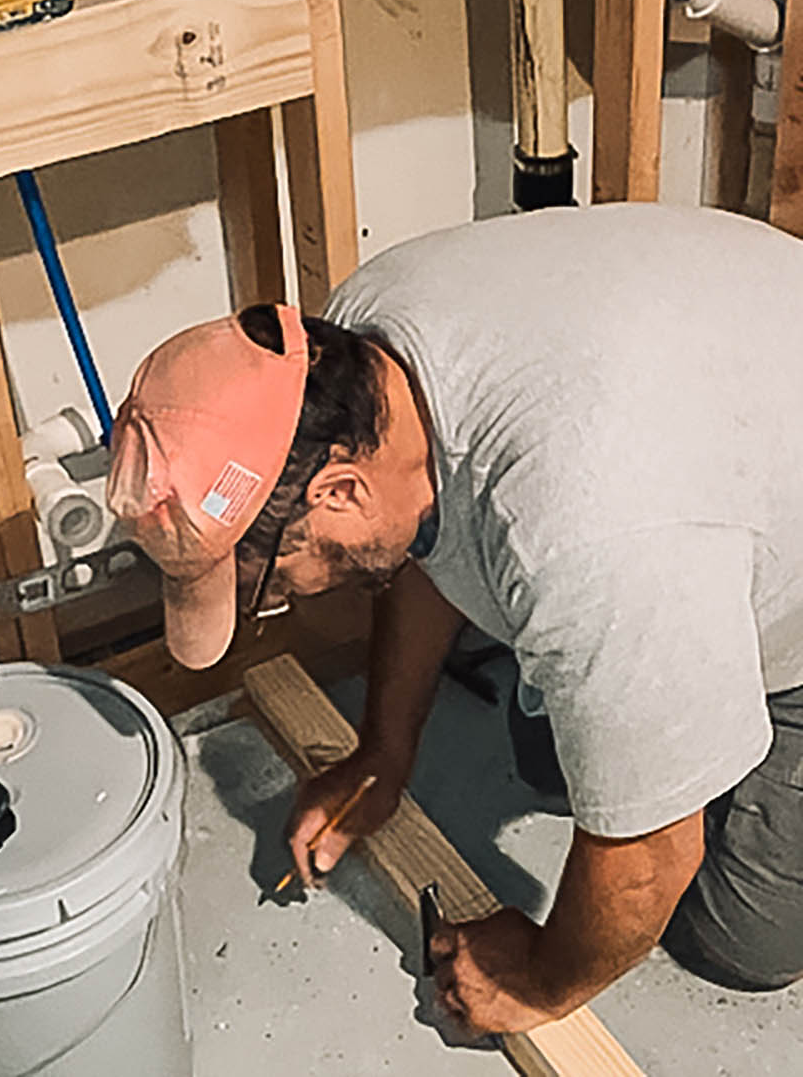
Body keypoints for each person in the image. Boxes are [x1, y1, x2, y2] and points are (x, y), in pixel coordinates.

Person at [107, 202, 803, 1034]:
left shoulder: (585, 532)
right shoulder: (361, 350)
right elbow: (414, 540)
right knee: (565, 757)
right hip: (713, 438)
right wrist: (383, 753)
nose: (287, 595)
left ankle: (717, 704)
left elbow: (651, 860)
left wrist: (541, 979)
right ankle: (681, 694)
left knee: (738, 940)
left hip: (759, 570)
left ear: (337, 492)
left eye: (274, 575)